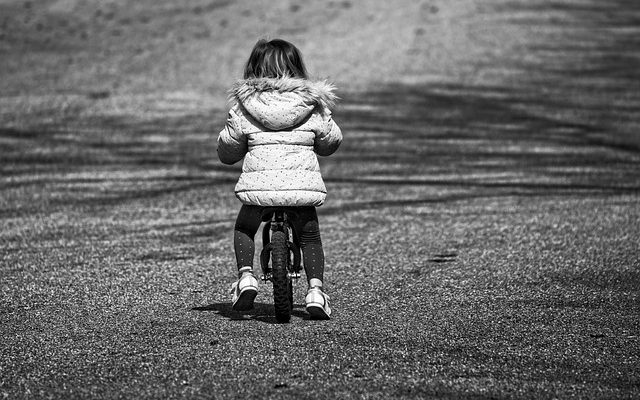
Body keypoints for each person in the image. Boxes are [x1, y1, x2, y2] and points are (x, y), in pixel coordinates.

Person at [217, 38, 342, 319]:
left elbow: (228, 151)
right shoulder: (312, 104)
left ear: (253, 69)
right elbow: (331, 143)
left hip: (260, 190)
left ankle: (246, 277)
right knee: (309, 237)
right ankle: (316, 291)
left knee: (245, 227)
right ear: (298, 69)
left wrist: (228, 143)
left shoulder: (244, 106)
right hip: (299, 190)